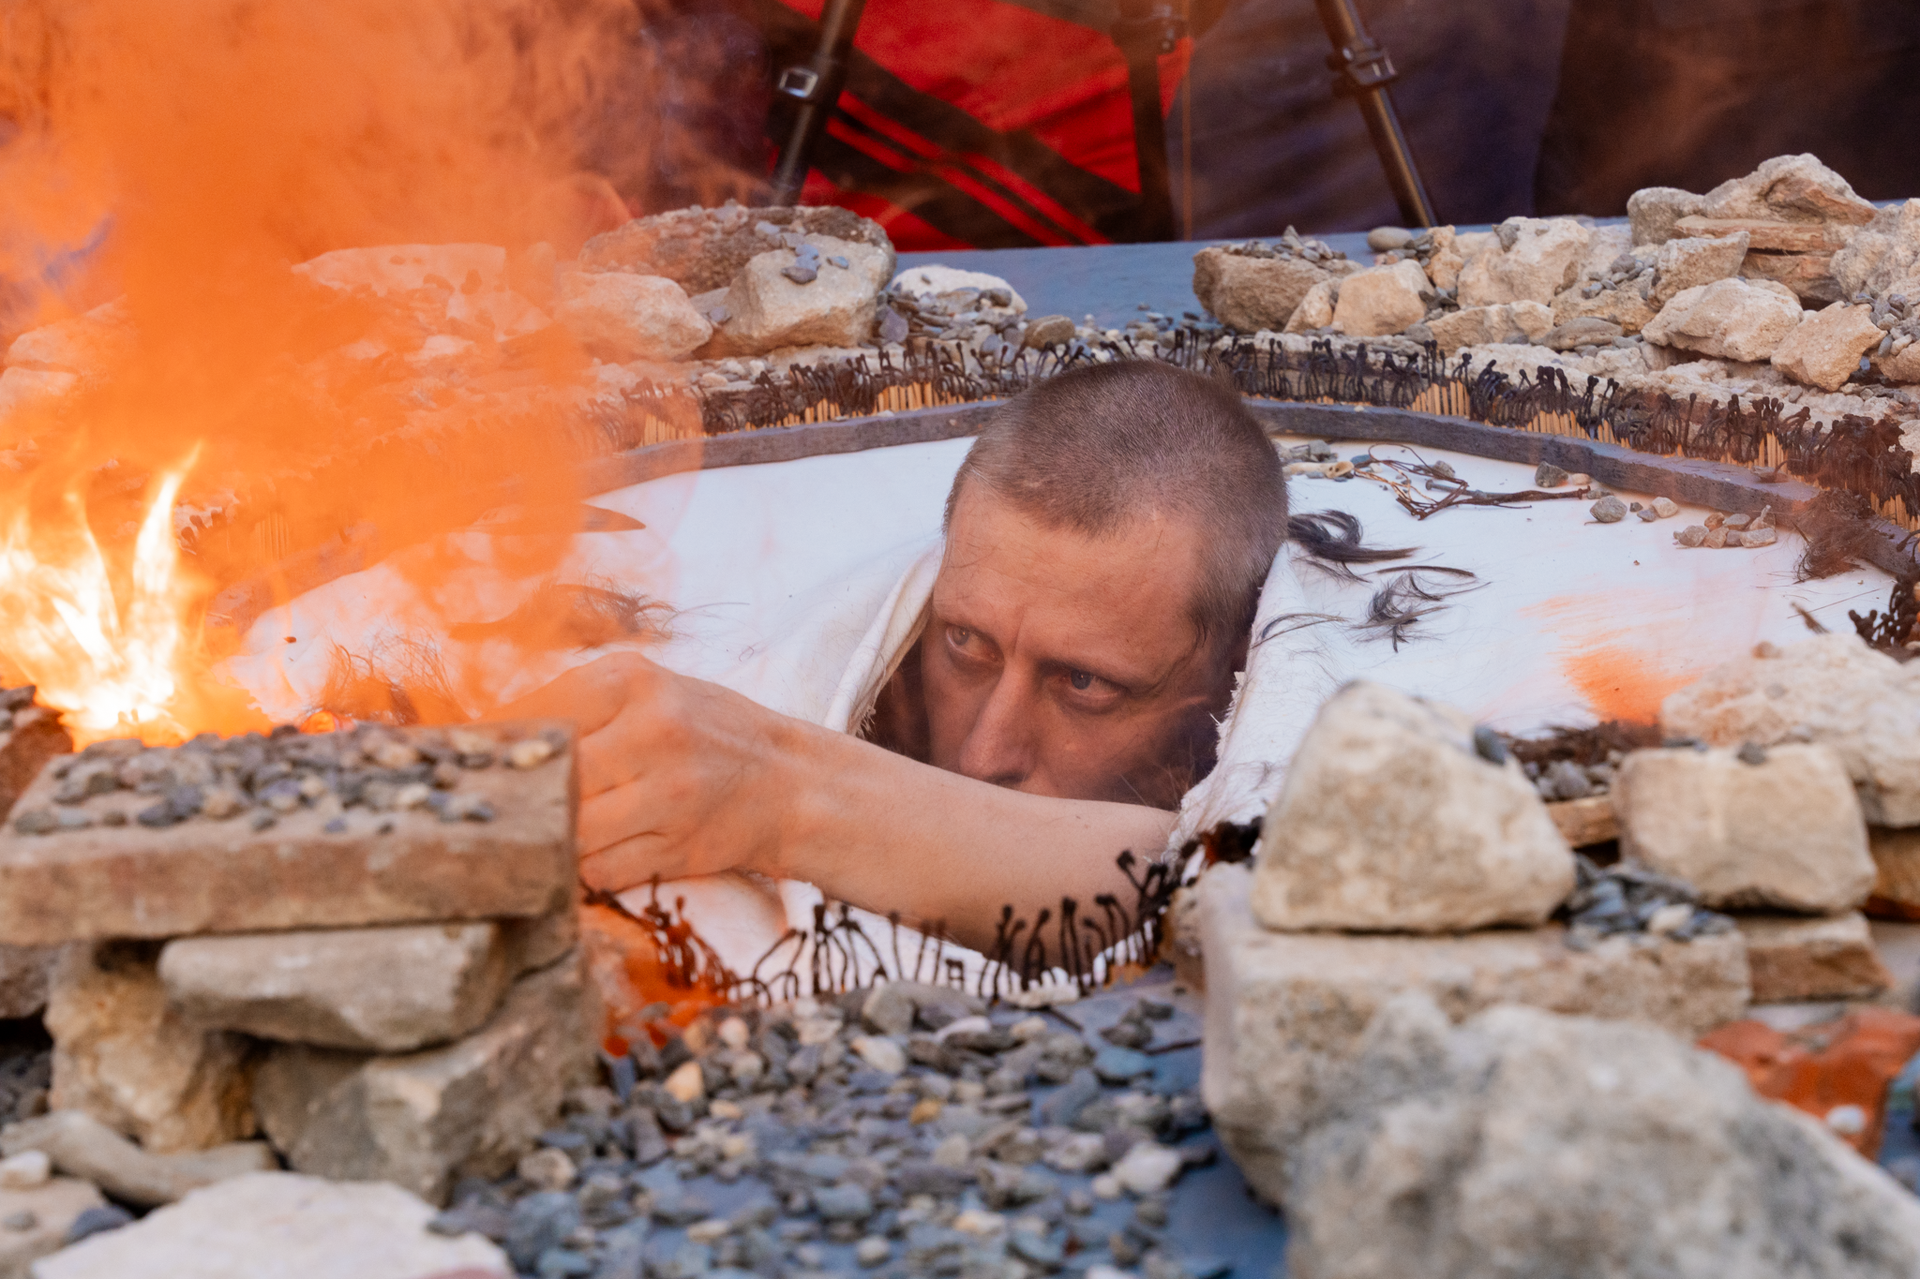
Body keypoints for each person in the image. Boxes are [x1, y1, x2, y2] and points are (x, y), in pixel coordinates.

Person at [513, 361, 1331, 958]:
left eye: (1082, 684)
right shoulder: (813, 626)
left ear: (1227, 665)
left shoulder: (1310, 699)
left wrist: (778, 788)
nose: (983, 753)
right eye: (966, 645)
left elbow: (1204, 882)